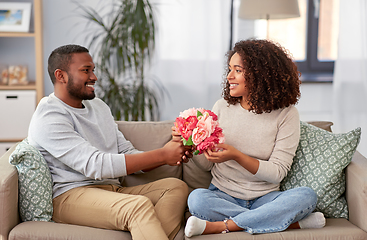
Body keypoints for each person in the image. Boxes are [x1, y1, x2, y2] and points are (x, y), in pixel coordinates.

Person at [28, 44, 191, 240]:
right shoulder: (49, 116)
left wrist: (168, 155)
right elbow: (96, 165)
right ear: (60, 75)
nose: (94, 77)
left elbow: (125, 153)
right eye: (85, 70)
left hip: (112, 189)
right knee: (137, 207)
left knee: (175, 187)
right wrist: (163, 154)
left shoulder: (99, 107)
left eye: (93, 70)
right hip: (69, 195)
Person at [184, 39, 326, 237]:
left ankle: (223, 226)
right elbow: (207, 166)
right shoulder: (221, 107)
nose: (229, 77)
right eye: (229, 69)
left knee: (306, 197)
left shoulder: (286, 114)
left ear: (261, 75)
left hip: (266, 198)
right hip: (222, 195)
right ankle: (284, 222)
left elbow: (277, 173)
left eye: (238, 70)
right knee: (196, 199)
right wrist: (192, 145)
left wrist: (237, 156)